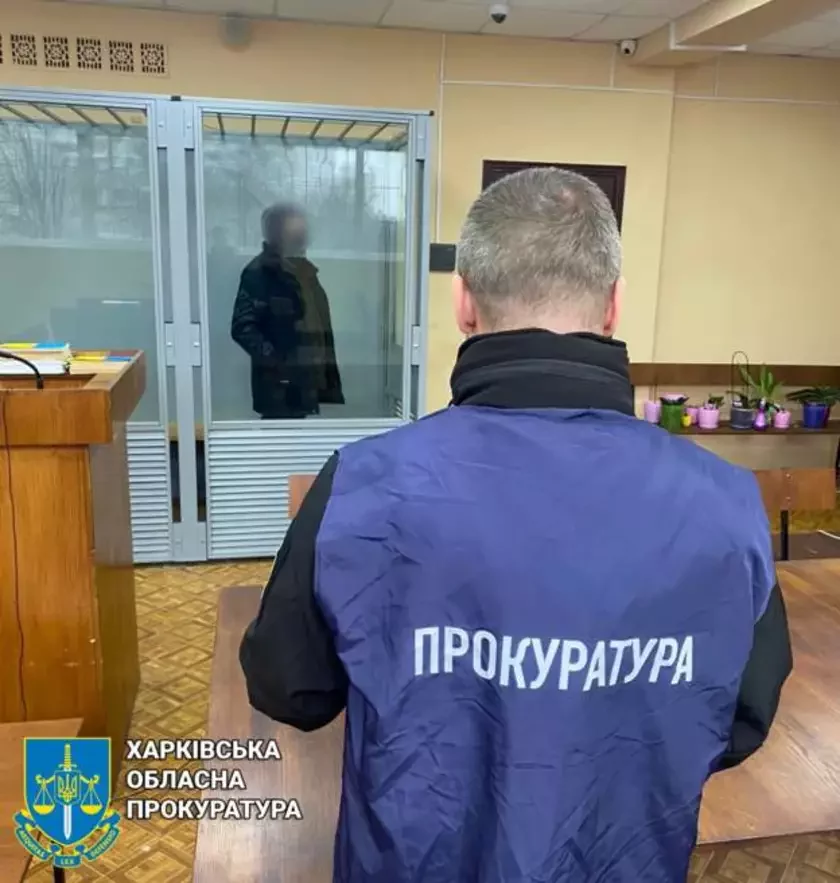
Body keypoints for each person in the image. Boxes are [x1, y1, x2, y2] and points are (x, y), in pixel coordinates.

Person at [240, 168, 792, 882]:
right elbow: (741, 720)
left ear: (462, 301)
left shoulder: (361, 485)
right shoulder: (726, 503)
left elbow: (289, 688)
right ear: (614, 305)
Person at [231, 203, 343, 419]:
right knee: (281, 437)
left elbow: (316, 323)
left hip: (308, 381)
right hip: (281, 389)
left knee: (302, 434)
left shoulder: (304, 272)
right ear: (278, 234)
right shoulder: (260, 273)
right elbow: (243, 328)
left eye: (304, 231)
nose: (304, 238)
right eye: (296, 232)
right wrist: (280, 365)